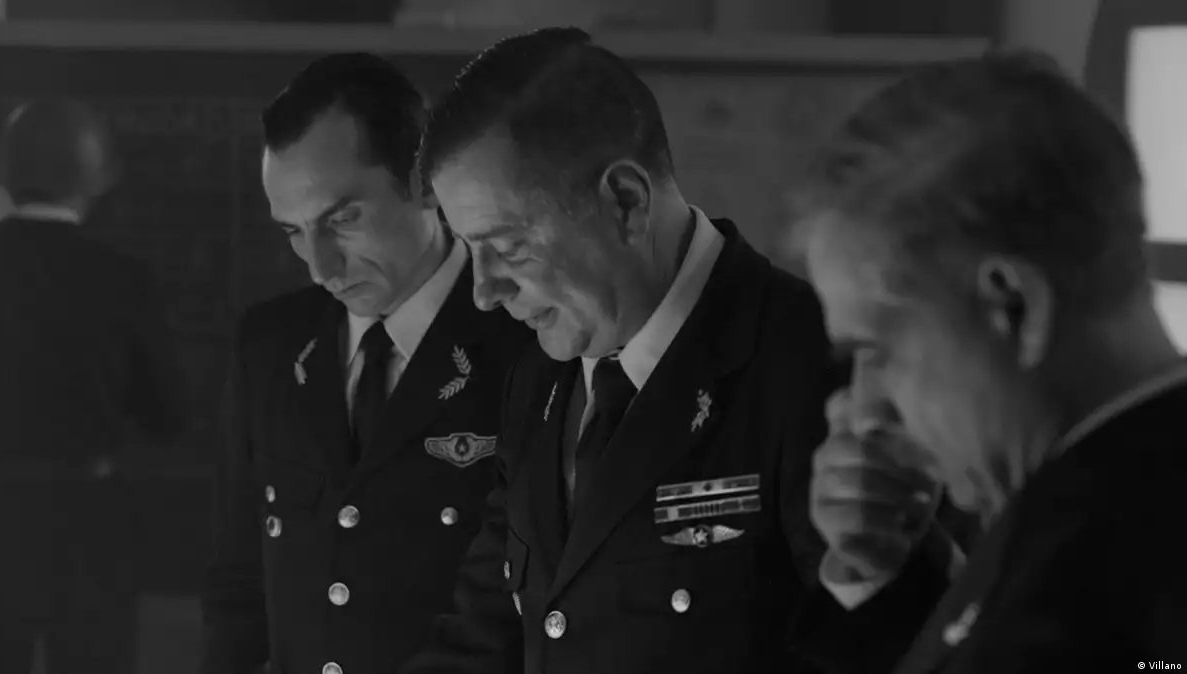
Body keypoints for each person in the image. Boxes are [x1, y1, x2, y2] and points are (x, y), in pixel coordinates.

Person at [399, 27, 950, 674]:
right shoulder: (539, 378)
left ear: (626, 203)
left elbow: (900, 647)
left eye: (509, 248)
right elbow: (483, 639)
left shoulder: (812, 362)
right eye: (471, 252)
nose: (485, 292)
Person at [789, 50, 1187, 673]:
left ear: (1014, 308)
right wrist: (885, 571)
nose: (859, 411)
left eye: (878, 352)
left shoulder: (1101, 572)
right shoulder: (1092, 525)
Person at [200, 53, 532, 674]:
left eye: (343, 219)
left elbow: (523, 615)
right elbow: (237, 591)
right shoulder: (269, 346)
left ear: (425, 181)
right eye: (293, 232)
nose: (320, 267)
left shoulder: (526, 342)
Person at [0, 99, 183, 674]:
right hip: (89, 518)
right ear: (96, 177)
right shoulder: (123, 279)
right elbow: (167, 416)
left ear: (5, 170)